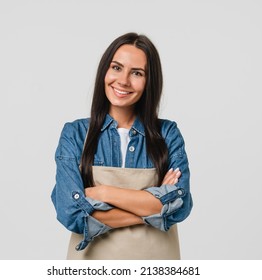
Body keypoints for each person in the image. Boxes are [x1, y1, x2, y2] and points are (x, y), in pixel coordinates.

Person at [51, 32, 193, 260]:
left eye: (137, 73)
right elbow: (72, 214)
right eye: (116, 68)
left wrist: (103, 192)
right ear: (104, 71)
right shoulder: (75, 134)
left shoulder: (167, 134)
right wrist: (155, 206)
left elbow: (181, 204)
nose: (124, 80)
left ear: (149, 81)